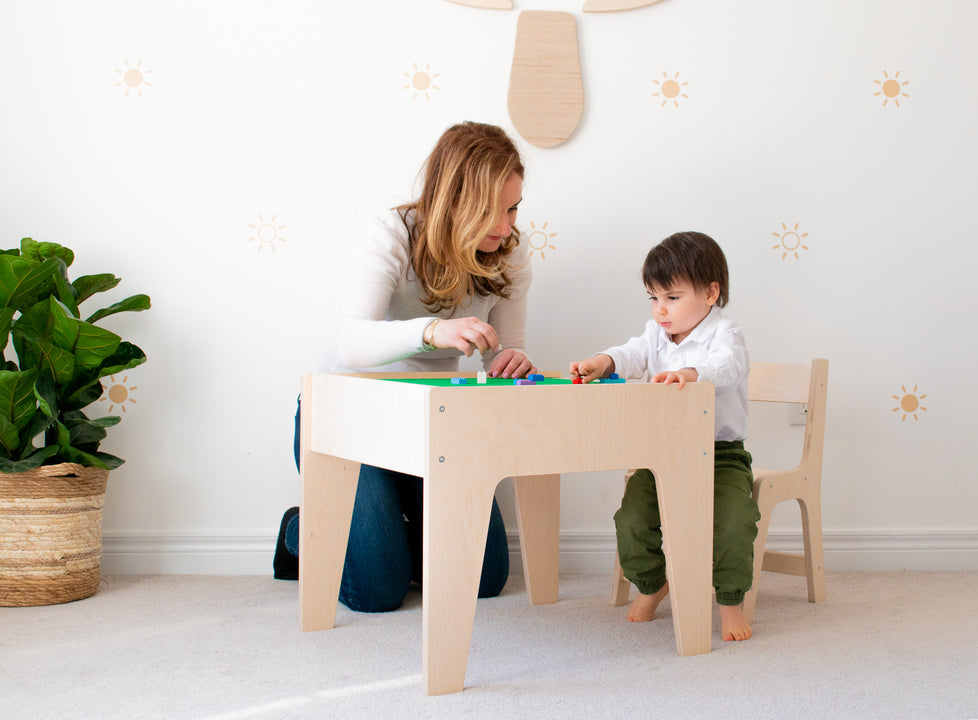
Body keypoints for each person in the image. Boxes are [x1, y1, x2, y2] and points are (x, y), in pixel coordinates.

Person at [274, 121, 537, 612]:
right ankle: (300, 527)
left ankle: (386, 528)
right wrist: (431, 330)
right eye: (490, 211)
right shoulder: (391, 232)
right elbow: (349, 341)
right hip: (350, 417)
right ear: (453, 200)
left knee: (483, 578)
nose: (505, 226)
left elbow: (502, 353)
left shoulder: (511, 251)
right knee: (377, 592)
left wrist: (510, 361)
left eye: (513, 207)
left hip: (432, 423)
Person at [569, 231, 759, 641]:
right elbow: (631, 353)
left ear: (710, 293)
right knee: (632, 520)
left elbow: (727, 367)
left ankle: (729, 601)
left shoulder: (725, 335)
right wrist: (603, 361)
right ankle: (653, 586)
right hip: (662, 454)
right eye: (654, 298)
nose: (660, 310)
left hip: (720, 454)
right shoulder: (656, 334)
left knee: (732, 524)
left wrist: (690, 373)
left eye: (672, 297)